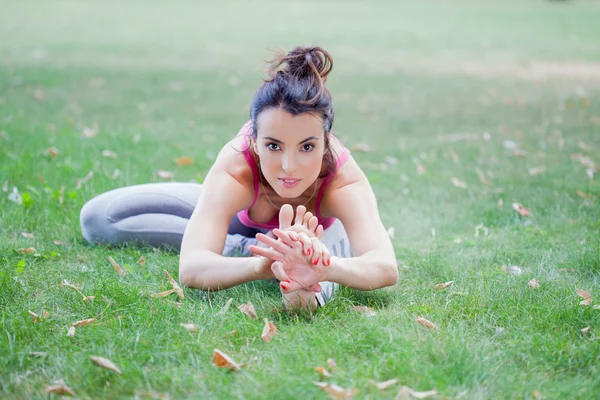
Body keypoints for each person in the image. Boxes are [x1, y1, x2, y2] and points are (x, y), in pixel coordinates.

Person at [80, 46, 398, 311]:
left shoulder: (342, 180)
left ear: (326, 143)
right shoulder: (236, 166)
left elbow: (384, 267)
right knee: (100, 218)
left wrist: (325, 266)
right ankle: (248, 247)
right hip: (243, 221)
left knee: (308, 291)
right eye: (274, 146)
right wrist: (260, 265)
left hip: (318, 238)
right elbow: (191, 269)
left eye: (307, 147)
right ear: (254, 141)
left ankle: (301, 265)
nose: (289, 167)